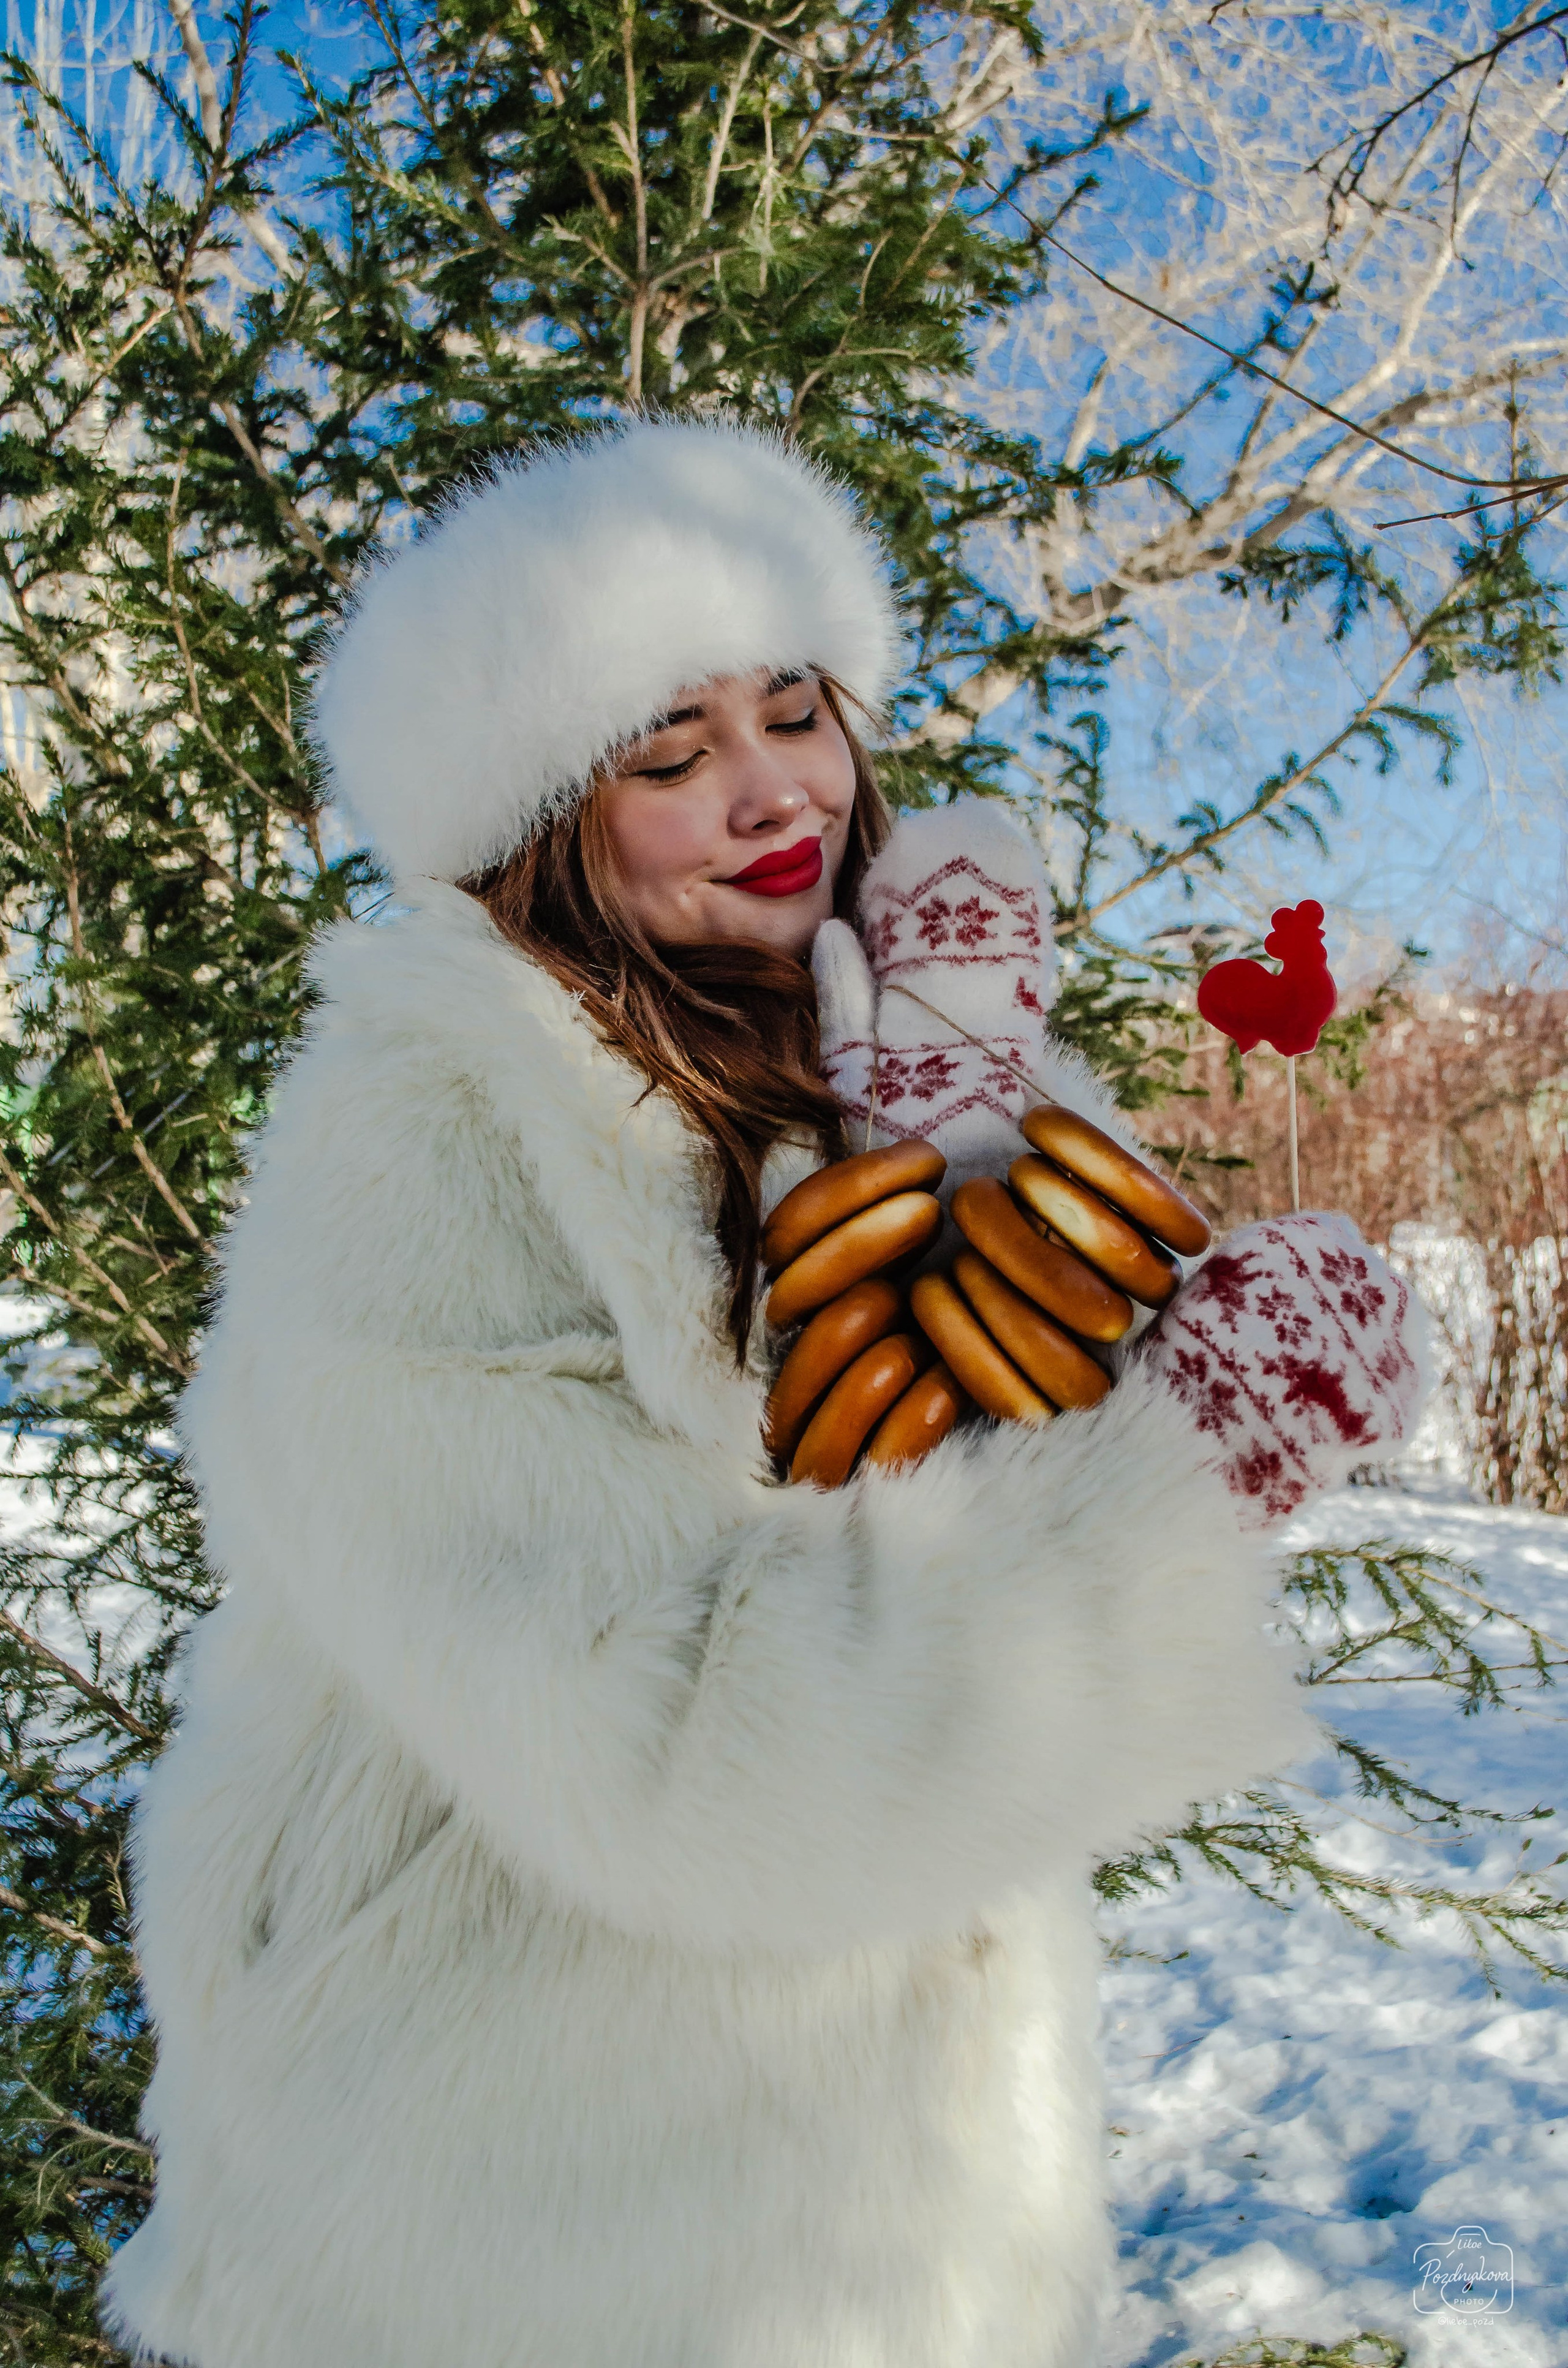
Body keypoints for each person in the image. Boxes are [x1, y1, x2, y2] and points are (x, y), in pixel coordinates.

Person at [103, 417, 1423, 2368]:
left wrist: (1183, 1340)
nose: (767, 789)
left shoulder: (910, 1060)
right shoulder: (427, 1136)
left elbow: (983, 1437)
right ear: (543, 814)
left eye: (794, 709)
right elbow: (672, 1726)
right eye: (666, 752)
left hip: (893, 2210)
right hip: (515, 2202)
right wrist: (1172, 1482)